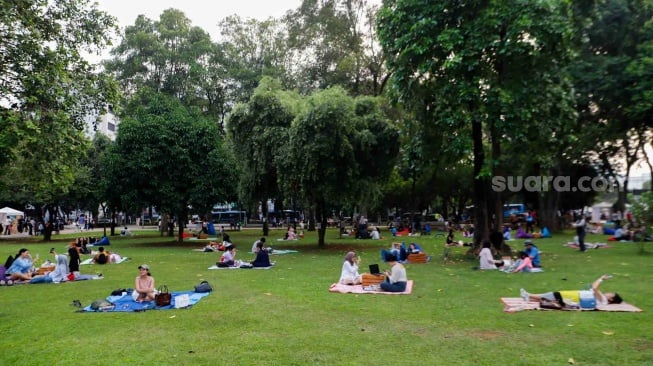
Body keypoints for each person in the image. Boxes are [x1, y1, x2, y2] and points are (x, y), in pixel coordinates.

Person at [520, 274, 623, 309]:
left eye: (611, 293)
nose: (609, 292)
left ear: (611, 298)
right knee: (553, 295)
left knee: (554, 295)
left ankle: (528, 295)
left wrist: (601, 279)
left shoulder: (604, 300)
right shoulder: (602, 298)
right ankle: (528, 296)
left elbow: (595, 288)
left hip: (575, 298)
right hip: (576, 297)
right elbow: (594, 286)